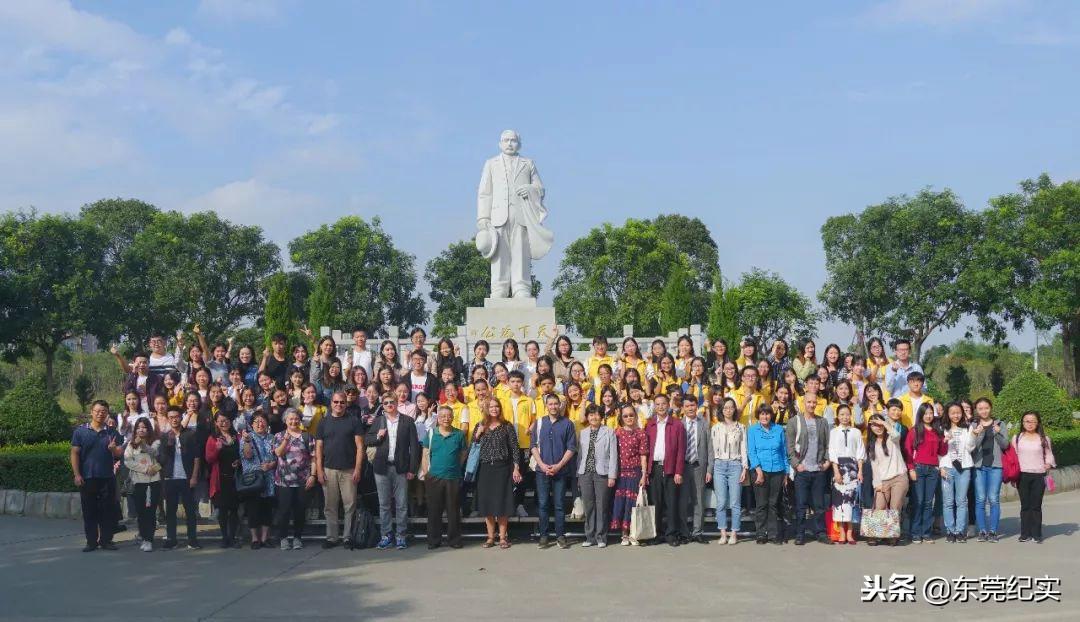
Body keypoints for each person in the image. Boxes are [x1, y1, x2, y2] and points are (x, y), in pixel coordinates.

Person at [366, 393, 420, 550]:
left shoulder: (408, 421)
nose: (389, 405)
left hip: (401, 467)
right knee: (384, 504)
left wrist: (412, 469)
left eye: (392, 402)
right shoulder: (378, 421)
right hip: (381, 467)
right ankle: (386, 535)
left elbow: (414, 447)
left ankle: (401, 535)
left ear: (397, 403)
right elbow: (367, 440)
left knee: (401, 504)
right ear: (382, 405)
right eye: (386, 402)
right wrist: (377, 436)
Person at [70, 400, 124, 552]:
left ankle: (106, 540)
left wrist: (113, 450)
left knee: (107, 511)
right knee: (89, 511)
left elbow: (120, 453)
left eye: (104, 411)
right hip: (87, 478)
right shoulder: (80, 431)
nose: (101, 413)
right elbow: (74, 453)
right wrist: (77, 474)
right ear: (91, 412)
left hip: (107, 477)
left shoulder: (111, 432)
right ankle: (91, 542)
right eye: (98, 411)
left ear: (107, 413)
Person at [315, 391, 365, 549]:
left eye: (342, 402)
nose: (339, 405)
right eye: (336, 402)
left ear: (346, 403)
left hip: (349, 469)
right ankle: (332, 537)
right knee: (330, 506)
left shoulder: (354, 421)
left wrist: (358, 468)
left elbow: (360, 447)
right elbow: (318, 448)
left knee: (350, 505)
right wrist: (319, 470)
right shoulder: (323, 422)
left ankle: (347, 537)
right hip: (329, 469)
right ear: (331, 403)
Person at [473, 400, 522, 548]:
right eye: (491, 407)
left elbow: (515, 448)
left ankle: (502, 538)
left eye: (496, 406)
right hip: (485, 468)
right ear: (486, 409)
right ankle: (490, 537)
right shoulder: (480, 425)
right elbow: (472, 446)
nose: (494, 409)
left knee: (502, 503)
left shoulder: (507, 426)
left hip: (502, 468)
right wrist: (478, 434)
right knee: (487, 504)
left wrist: (516, 467)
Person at [531, 393, 577, 549]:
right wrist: (542, 465)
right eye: (550, 404)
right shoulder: (539, 423)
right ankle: (544, 536)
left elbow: (571, 448)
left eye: (555, 404)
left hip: (561, 471)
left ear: (560, 405)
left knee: (559, 504)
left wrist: (559, 465)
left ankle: (560, 535)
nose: (553, 406)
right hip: (541, 470)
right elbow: (533, 447)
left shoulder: (568, 424)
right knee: (543, 504)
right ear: (546, 406)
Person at [787, 393, 832, 545]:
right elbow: (790, 447)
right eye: (809, 402)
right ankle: (800, 534)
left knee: (819, 505)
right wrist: (796, 464)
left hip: (818, 469)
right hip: (802, 470)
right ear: (803, 402)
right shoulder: (794, 421)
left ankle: (820, 532)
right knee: (801, 505)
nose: (812, 405)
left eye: (814, 402)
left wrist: (826, 462)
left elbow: (827, 444)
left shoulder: (822, 422)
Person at [422, 405, 467, 549]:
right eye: (442, 416)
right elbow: (425, 454)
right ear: (438, 418)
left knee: (453, 510)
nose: (446, 419)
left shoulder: (459, 435)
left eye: (449, 416)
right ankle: (434, 541)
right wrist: (427, 472)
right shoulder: (430, 434)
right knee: (434, 510)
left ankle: (454, 540)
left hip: (453, 477)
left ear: (453, 418)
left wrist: (455, 466)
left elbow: (463, 454)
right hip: (434, 477)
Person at [644, 394, 687, 546]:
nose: (660, 407)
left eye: (663, 404)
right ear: (654, 407)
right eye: (657, 404)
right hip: (654, 468)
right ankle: (657, 534)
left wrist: (679, 471)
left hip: (671, 469)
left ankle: (671, 535)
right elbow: (646, 449)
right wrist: (646, 472)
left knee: (671, 503)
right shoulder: (649, 425)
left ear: (668, 405)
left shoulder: (677, 425)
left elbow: (681, 450)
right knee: (655, 503)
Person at [158, 406, 202, 550]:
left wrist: (194, 476)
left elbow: (196, 457)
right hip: (170, 478)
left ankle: (192, 539)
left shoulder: (189, 434)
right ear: (167, 419)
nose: (174, 419)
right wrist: (168, 446)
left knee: (190, 510)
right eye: (170, 417)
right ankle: (171, 539)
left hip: (187, 477)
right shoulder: (164, 437)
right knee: (170, 511)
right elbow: (162, 460)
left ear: (181, 417)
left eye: (176, 416)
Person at [273, 408, 317, 550]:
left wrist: (313, 475)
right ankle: (284, 538)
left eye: (296, 418)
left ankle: (298, 537)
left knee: (300, 510)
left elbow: (314, 458)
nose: (294, 421)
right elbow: (279, 453)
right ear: (285, 421)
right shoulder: (279, 436)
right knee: (284, 511)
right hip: (283, 481)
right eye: (290, 419)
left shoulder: (307, 436)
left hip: (302, 480)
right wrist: (286, 439)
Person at [576, 404, 618, 548]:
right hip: (585, 473)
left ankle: (601, 537)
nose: (594, 417)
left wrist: (612, 475)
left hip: (603, 473)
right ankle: (589, 536)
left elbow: (613, 455)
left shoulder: (609, 432)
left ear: (602, 416)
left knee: (602, 505)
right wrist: (578, 475)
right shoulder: (583, 432)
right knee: (588, 505)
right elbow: (580, 455)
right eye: (591, 414)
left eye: (597, 414)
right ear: (587, 417)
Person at [905, 402, 946, 543]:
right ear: (921, 414)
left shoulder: (937, 431)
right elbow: (908, 451)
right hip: (919, 468)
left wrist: (945, 440)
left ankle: (926, 533)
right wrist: (911, 468)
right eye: (925, 413)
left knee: (928, 502)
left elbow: (942, 451)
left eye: (930, 413)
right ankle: (915, 532)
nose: (928, 416)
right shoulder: (915, 430)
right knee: (918, 501)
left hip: (933, 469)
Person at [864, 414, 908, 546]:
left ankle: (892, 534)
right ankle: (875, 533)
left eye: (879, 425)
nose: (877, 428)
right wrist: (876, 484)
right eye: (874, 425)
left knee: (895, 508)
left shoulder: (892, 439)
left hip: (899, 477)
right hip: (882, 480)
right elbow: (874, 467)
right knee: (879, 507)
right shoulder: (871, 444)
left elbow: (896, 434)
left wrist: (884, 423)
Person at [970, 398, 1008, 542]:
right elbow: (972, 447)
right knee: (980, 500)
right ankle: (982, 531)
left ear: (990, 408)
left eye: (986, 408)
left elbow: (1005, 445)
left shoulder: (1000, 424)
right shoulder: (974, 425)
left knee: (993, 499)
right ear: (976, 410)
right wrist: (977, 434)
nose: (984, 411)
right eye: (980, 408)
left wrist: (998, 433)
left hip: (995, 467)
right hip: (979, 467)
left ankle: (993, 531)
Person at [1014, 411, 1056, 543]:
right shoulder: (1017, 438)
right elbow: (1013, 458)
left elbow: (1049, 454)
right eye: (1027, 421)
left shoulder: (1044, 438)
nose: (1030, 424)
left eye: (1033, 421)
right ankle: (1025, 533)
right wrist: (1013, 475)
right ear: (1022, 422)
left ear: (1037, 423)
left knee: (1036, 505)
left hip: (1039, 475)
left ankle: (1037, 533)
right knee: (1025, 505)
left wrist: (1048, 463)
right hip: (1022, 475)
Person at [747, 404, 787, 544]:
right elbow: (751, 452)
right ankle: (761, 533)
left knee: (773, 503)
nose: (765, 417)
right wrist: (758, 471)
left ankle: (773, 533)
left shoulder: (779, 429)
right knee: (762, 503)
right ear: (758, 415)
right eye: (762, 414)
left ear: (771, 415)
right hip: (760, 471)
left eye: (767, 414)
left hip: (777, 470)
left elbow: (783, 452)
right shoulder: (752, 430)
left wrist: (786, 473)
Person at [610, 404, 649, 545]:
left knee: (633, 504)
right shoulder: (617, 432)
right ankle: (624, 534)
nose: (628, 418)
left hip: (635, 472)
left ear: (636, 416)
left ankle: (634, 533)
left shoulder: (641, 433)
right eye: (625, 416)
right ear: (621, 417)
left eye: (631, 415)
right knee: (621, 503)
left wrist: (644, 475)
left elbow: (643, 456)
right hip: (620, 473)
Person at [711, 397, 748, 545]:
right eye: (725, 408)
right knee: (721, 502)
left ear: (735, 409)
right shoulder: (715, 428)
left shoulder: (741, 427)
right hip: (719, 465)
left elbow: (744, 449)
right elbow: (712, 450)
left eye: (731, 407)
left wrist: (744, 467)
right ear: (721, 410)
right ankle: (723, 533)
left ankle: (734, 533)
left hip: (735, 465)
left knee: (735, 502)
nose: (728, 410)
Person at [938, 402, 977, 543]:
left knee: (961, 501)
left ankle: (960, 531)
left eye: (958, 412)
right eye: (952, 412)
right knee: (948, 501)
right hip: (947, 467)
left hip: (964, 468)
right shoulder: (942, 428)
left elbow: (970, 448)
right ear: (947, 414)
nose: (956, 415)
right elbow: (939, 451)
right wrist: (941, 467)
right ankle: (950, 530)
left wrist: (973, 434)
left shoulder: (968, 428)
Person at [499, 370, 535, 518]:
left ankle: (519, 504)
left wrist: (530, 429)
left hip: (523, 443)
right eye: (513, 381)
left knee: (521, 474)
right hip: (505, 443)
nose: (515, 384)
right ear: (508, 382)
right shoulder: (501, 400)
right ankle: (506, 505)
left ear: (522, 383)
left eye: (518, 381)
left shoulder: (528, 400)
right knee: (506, 475)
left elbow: (534, 420)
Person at [828, 404, 865, 545]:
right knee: (839, 501)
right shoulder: (834, 432)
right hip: (839, 468)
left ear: (851, 415)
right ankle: (841, 532)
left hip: (853, 467)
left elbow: (860, 452)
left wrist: (860, 471)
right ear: (837, 416)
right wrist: (836, 471)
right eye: (842, 414)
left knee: (851, 501)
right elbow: (832, 452)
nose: (844, 417)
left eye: (847, 414)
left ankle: (850, 531)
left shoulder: (856, 432)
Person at [124, 418, 162, 552]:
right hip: (138, 482)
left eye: (144, 427)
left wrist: (143, 445)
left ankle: (149, 539)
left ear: (149, 429)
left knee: (150, 512)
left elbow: (155, 454)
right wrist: (145, 469)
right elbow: (127, 461)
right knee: (141, 512)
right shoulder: (131, 444)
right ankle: (144, 536)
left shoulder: (156, 442)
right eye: (139, 427)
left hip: (153, 482)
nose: (141, 430)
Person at [205, 412, 241, 548]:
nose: (223, 423)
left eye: (226, 420)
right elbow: (209, 459)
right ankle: (224, 537)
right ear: (216, 423)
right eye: (220, 421)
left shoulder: (236, 437)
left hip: (235, 478)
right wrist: (217, 450)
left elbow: (242, 455)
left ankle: (232, 538)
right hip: (220, 479)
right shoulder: (213, 438)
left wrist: (239, 462)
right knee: (223, 510)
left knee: (234, 510)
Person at [240, 413, 276, 549]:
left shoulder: (273, 438)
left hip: (269, 479)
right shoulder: (247, 438)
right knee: (253, 509)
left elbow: (277, 457)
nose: (260, 424)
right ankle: (255, 539)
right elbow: (247, 455)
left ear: (267, 423)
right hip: (253, 480)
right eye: (256, 422)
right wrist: (247, 442)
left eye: (262, 421)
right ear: (251, 424)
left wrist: (271, 465)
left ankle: (265, 538)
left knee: (267, 508)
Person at [678, 398, 712, 544]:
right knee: (683, 501)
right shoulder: (678, 424)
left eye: (692, 405)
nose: (690, 408)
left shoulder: (704, 423)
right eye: (687, 406)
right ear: (683, 408)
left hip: (699, 466)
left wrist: (710, 469)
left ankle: (697, 532)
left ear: (696, 406)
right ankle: (684, 532)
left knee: (699, 500)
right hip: (683, 467)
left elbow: (710, 448)